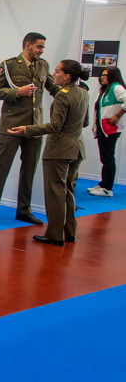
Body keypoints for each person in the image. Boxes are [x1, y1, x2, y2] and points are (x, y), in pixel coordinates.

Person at [0, 32, 60, 226]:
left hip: (34, 127)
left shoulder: (43, 65)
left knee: (29, 169)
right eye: (39, 47)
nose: (41, 51)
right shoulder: (9, 65)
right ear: (28, 45)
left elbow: (52, 87)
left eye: (42, 48)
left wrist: (70, 93)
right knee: (0, 167)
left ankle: (24, 210)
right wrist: (17, 91)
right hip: (12, 125)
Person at [8, 60, 90, 246]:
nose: (54, 74)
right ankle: (70, 231)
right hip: (76, 149)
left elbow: (55, 126)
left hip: (59, 150)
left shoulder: (63, 96)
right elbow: (84, 123)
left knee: (55, 193)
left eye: (57, 71)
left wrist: (27, 130)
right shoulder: (83, 93)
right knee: (68, 191)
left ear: (66, 76)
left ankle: (54, 234)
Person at [89, 67, 126, 197]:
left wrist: (117, 115)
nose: (102, 77)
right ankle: (104, 183)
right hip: (103, 128)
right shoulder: (106, 90)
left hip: (110, 128)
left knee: (108, 158)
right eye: (102, 75)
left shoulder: (117, 87)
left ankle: (107, 188)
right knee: (105, 157)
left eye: (106, 75)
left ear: (113, 76)